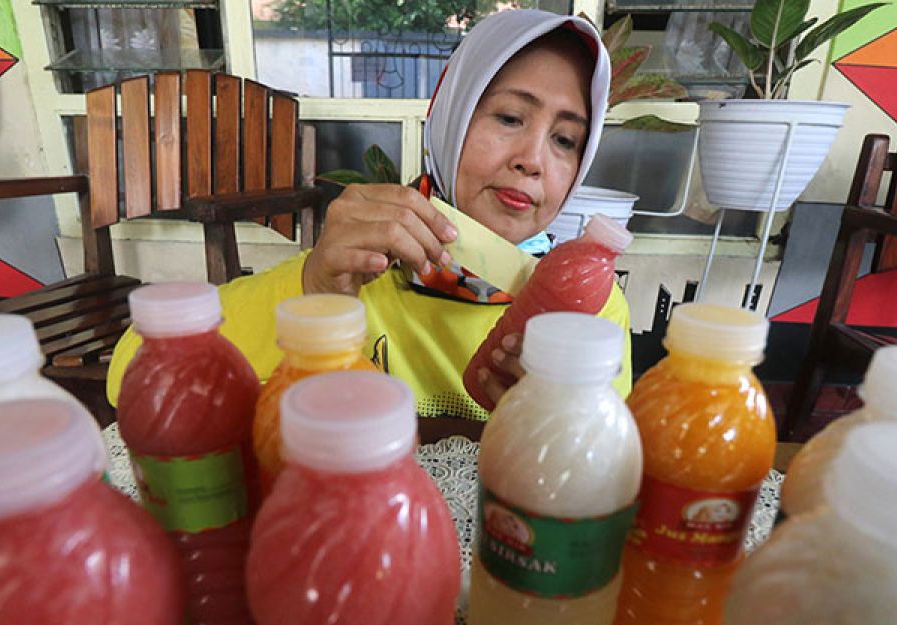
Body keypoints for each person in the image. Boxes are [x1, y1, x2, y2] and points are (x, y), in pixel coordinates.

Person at [106, 9, 632, 420]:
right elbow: (133, 372)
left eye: (565, 140)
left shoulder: (590, 306)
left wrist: (558, 416)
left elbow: (601, 474)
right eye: (510, 117)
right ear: (447, 116)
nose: (533, 160)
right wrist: (316, 293)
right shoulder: (364, 263)